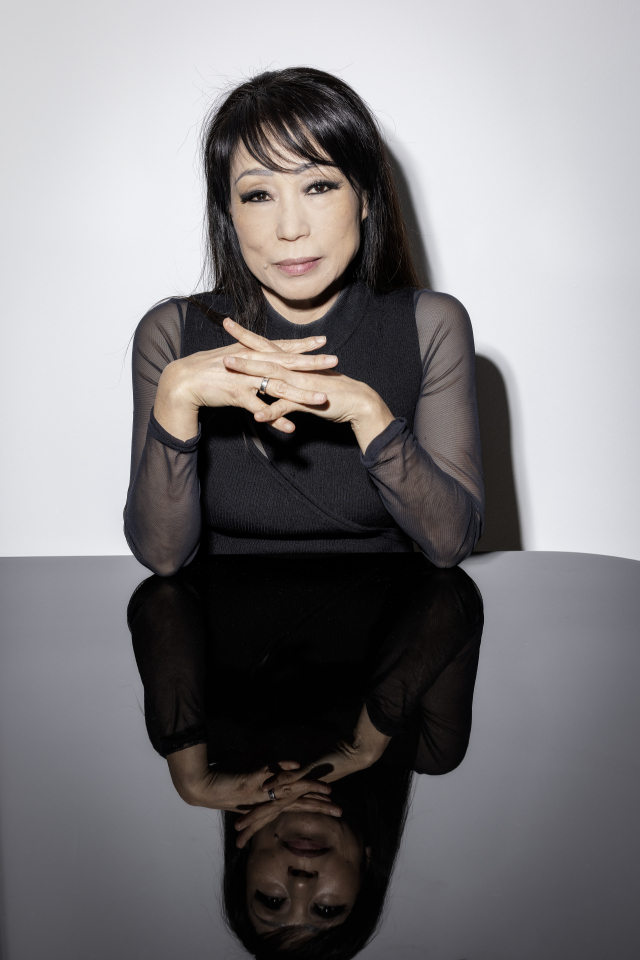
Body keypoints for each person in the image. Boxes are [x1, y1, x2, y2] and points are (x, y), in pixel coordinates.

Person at [123, 67, 484, 577]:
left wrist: (369, 414)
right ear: (229, 212)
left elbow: (451, 543)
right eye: (258, 195)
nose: (290, 229)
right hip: (222, 622)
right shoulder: (171, 333)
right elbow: (161, 556)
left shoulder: (431, 325)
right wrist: (175, 399)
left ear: (365, 197)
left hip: (388, 621)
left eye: (317, 186)